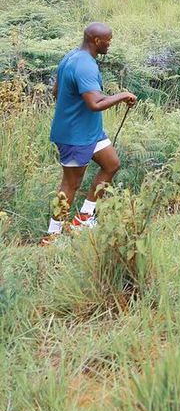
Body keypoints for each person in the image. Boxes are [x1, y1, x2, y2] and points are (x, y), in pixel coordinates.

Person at [41, 23, 137, 245]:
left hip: (91, 132)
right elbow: (94, 103)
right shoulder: (85, 66)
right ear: (96, 41)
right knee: (70, 185)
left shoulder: (70, 57)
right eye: (108, 40)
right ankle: (52, 236)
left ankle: (84, 217)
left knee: (112, 164)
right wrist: (122, 95)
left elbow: (57, 92)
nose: (110, 44)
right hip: (75, 136)